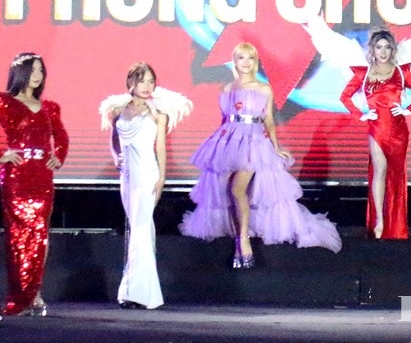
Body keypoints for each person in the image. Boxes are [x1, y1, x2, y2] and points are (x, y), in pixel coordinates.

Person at [181, 43, 341, 264]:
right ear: (235, 61)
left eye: (250, 58)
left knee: (238, 189)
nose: (246, 62)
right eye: (241, 58)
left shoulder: (263, 88)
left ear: (255, 62)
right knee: (222, 189)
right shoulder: (226, 89)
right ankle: (238, 233)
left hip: (254, 143)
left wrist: (275, 146)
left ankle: (243, 242)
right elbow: (224, 120)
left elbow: (269, 120)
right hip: (228, 141)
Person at [0, 52, 69, 316]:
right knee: (18, 236)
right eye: (32, 70)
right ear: (20, 72)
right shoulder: (3, 102)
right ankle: (19, 296)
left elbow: (61, 137)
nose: (37, 75)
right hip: (17, 177)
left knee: (39, 235)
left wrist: (58, 156)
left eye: (41, 70)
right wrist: (0, 154)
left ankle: (34, 294)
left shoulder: (49, 107)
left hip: (42, 177)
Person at [99, 63, 192, 309]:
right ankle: (140, 293)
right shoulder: (119, 110)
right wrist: (115, 157)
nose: (147, 86)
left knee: (140, 229)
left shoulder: (157, 112)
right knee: (139, 230)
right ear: (131, 82)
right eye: (142, 81)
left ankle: (137, 292)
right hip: (127, 176)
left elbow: (160, 147)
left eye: (151, 81)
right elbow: (114, 138)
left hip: (148, 174)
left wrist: (162, 178)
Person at [340, 29, 411, 239]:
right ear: (373, 49)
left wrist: (408, 109)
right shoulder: (364, 74)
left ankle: (395, 223)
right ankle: (379, 221)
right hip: (377, 128)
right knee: (380, 170)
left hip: (398, 130)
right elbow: (345, 97)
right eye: (379, 47)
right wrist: (361, 115)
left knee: (396, 176)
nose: (383, 52)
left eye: (387, 47)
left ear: (392, 50)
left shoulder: (401, 72)